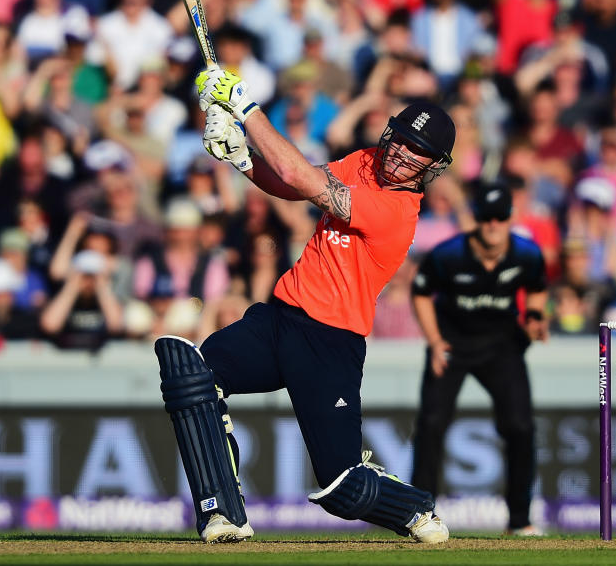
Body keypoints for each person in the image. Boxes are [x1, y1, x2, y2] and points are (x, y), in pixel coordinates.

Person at [153, 66, 457, 543]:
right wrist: (242, 158)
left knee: (342, 489)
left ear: (431, 165)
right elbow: (295, 185)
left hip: (330, 342)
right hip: (280, 319)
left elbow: (299, 173)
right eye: (399, 138)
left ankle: (414, 507)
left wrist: (245, 107)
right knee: (191, 374)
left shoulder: (397, 213)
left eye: (417, 150)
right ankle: (223, 513)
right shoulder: (364, 160)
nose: (401, 152)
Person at [409, 181, 548, 535]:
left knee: (520, 427)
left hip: (502, 344)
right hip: (452, 344)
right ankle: (418, 517)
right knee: (431, 426)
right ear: (476, 219)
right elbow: (421, 293)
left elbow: (536, 290)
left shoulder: (528, 254)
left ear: (509, 219)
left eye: (500, 218)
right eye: (486, 218)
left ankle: (520, 521)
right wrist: (435, 341)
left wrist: (534, 319)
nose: (493, 225)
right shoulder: (448, 254)